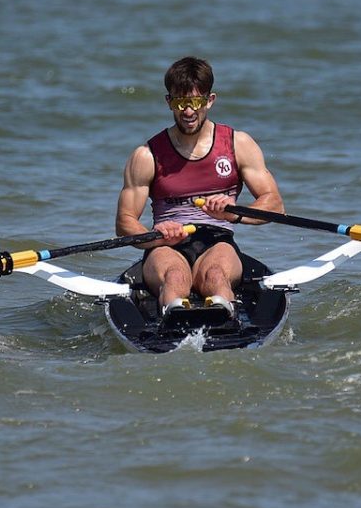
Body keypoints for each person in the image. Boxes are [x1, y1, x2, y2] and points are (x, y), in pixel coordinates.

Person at [115, 56, 283, 318]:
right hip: (166, 246)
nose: (188, 111)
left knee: (215, 276)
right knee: (174, 277)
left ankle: (222, 316)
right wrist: (155, 236)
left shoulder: (239, 144)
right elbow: (125, 223)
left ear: (209, 100)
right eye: (181, 102)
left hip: (217, 241)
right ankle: (174, 317)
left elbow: (274, 205)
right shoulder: (146, 155)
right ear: (169, 102)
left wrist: (234, 213)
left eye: (194, 102)